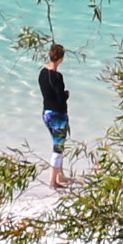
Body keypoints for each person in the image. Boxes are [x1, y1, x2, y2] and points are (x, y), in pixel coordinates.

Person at [40, 43, 73, 189]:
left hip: (46, 113)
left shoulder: (42, 73)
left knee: (58, 144)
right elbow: (60, 98)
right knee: (58, 147)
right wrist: (66, 95)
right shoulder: (57, 77)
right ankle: (53, 181)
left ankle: (60, 175)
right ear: (61, 59)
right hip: (58, 115)